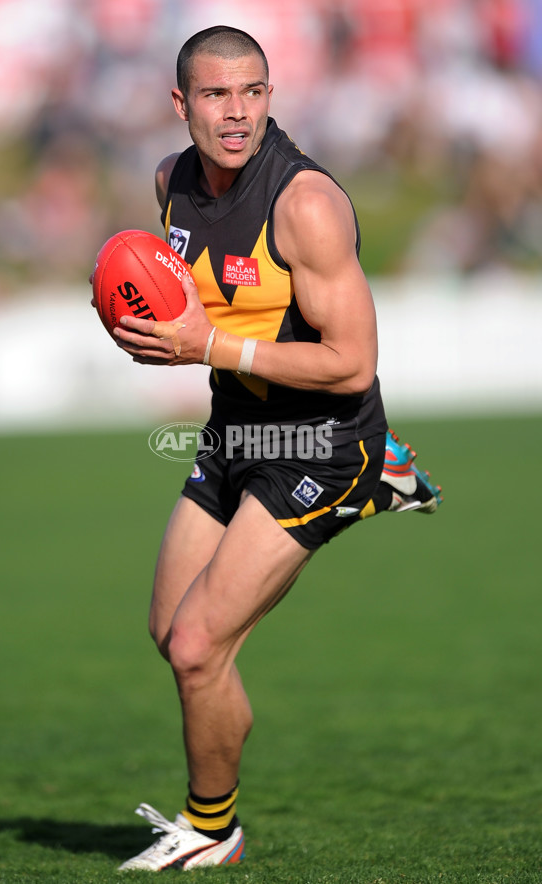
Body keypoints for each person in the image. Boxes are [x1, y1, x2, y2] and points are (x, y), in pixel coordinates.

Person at [104, 25, 442, 872]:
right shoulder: (169, 182)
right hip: (235, 430)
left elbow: (352, 361)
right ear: (181, 105)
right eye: (216, 95)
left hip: (321, 444)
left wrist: (203, 349)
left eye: (252, 92)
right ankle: (395, 469)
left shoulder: (306, 205)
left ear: (270, 96)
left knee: (196, 648)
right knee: (171, 635)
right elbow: (193, 299)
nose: (237, 112)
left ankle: (213, 828)